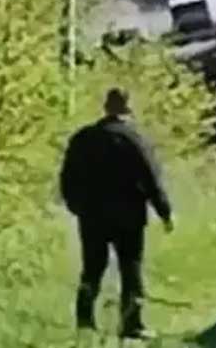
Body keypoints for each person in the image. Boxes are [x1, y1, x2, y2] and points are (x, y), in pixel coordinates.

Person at [59, 88, 173, 340]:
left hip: (92, 215)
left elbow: (67, 177)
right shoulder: (133, 139)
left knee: (91, 268)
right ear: (127, 109)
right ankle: (132, 323)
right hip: (128, 216)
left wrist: (75, 205)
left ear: (105, 107)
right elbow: (150, 178)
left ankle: (85, 320)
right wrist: (164, 210)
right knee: (130, 269)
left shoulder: (83, 138)